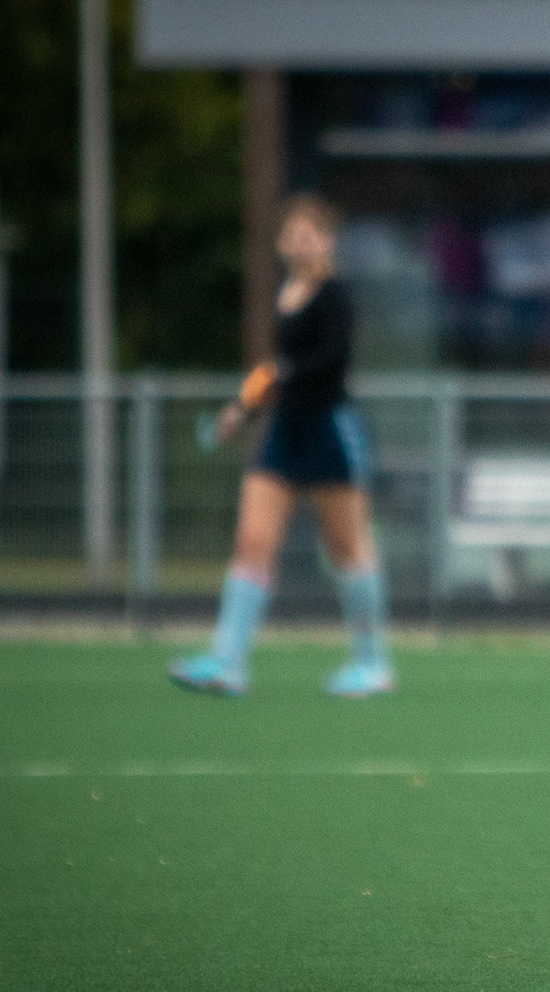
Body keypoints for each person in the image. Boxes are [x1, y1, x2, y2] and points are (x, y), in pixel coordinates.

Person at [169, 194, 394, 698]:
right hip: (284, 434)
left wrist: (278, 378)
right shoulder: (285, 293)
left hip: (330, 433)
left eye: (308, 236)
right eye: (291, 236)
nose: (298, 245)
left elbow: (330, 361)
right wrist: (241, 407)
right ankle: (227, 662)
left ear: (326, 241)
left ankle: (372, 663)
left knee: (346, 549)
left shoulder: (336, 296)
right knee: (251, 543)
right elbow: (273, 368)